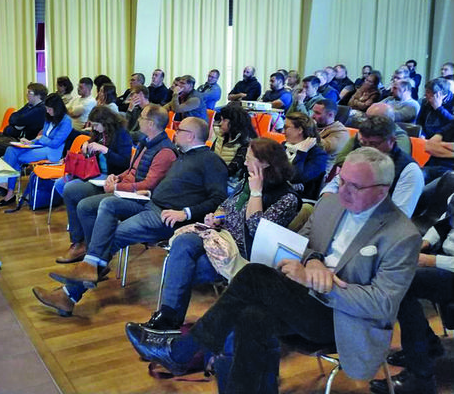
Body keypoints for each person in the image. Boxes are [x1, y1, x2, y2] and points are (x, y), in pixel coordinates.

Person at [126, 148, 421, 392]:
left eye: (354, 186)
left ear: (382, 192)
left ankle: (182, 352)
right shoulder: (332, 205)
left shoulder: (401, 234)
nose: (343, 191)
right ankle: (191, 357)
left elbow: (382, 305)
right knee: (251, 316)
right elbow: (303, 245)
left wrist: (325, 285)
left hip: (341, 319)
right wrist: (314, 259)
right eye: (341, 181)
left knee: (254, 276)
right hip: (301, 299)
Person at [32, 116, 227, 316]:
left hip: (167, 216)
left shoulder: (211, 161)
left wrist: (184, 213)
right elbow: (175, 187)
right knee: (108, 203)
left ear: (191, 136)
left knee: (112, 236)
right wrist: (150, 194)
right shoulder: (183, 155)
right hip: (150, 202)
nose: (175, 132)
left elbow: (218, 198)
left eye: (179, 130)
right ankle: (86, 270)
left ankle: (70, 292)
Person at [136, 138, 300, 331]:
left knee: (183, 268)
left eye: (249, 159)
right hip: (220, 238)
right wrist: (216, 217)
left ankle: (169, 320)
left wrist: (256, 192)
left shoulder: (287, 197)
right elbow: (226, 206)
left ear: (265, 163)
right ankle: (168, 319)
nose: (245, 163)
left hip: (242, 256)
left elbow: (257, 229)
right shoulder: (246, 182)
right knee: (184, 241)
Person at [54, 104, 176, 264]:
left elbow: (148, 184)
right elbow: (131, 169)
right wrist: (116, 178)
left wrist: (116, 185)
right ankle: (82, 245)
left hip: (138, 197)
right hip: (118, 183)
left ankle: (92, 255)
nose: (138, 120)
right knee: (71, 191)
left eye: (142, 118)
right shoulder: (146, 141)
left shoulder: (164, 151)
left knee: (86, 206)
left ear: (151, 124)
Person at [369, 196, 452, 394]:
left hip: (447, 264)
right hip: (445, 259)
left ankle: (421, 377)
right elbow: (445, 221)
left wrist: (432, 261)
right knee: (394, 276)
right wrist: (422, 244)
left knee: (400, 284)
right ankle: (427, 348)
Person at [321, 115, 423, 218]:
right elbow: (333, 185)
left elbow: (399, 216)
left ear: (392, 140)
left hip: (377, 225)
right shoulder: (359, 156)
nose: (368, 149)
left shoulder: (409, 171)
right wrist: (329, 202)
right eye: (364, 143)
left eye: (374, 144)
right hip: (342, 214)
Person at [0, 93, 73, 209]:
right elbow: (44, 137)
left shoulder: (66, 121)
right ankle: (8, 188)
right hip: (42, 146)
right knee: (11, 150)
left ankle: (8, 188)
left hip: (53, 152)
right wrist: (30, 142)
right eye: (46, 109)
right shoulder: (49, 118)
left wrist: (41, 139)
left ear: (57, 108)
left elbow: (55, 143)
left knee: (18, 157)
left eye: (49, 109)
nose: (47, 111)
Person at [53, 105, 131, 198]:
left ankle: (79, 205)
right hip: (92, 170)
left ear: (106, 122)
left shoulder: (121, 134)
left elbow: (124, 162)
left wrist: (105, 150)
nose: (94, 128)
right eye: (92, 125)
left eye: (96, 125)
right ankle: (76, 205)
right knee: (59, 184)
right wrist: (85, 145)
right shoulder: (99, 133)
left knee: (70, 188)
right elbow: (91, 144)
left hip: (110, 175)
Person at [0, 82, 47, 158]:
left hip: (21, 141)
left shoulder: (40, 109)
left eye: (29, 92)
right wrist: (17, 123)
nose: (27, 95)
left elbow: (18, 120)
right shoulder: (29, 105)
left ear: (38, 95)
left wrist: (18, 121)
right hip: (11, 135)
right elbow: (12, 118)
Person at [210, 103, 257, 191]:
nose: (220, 124)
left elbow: (231, 171)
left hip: (233, 185)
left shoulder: (246, 144)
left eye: (223, 120)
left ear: (233, 122)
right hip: (216, 179)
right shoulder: (220, 137)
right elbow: (209, 157)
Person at [283, 112, 329, 200]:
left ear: (300, 130)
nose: (283, 131)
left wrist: (301, 153)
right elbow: (271, 172)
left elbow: (295, 177)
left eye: (286, 127)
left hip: (301, 200)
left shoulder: (318, 156)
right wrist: (287, 182)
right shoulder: (284, 146)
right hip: (280, 193)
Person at [310, 98, 350, 170]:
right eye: (313, 112)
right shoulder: (317, 125)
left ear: (330, 115)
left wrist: (310, 130)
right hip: (307, 162)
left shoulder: (340, 133)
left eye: (317, 113)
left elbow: (325, 148)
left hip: (321, 170)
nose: (313, 116)